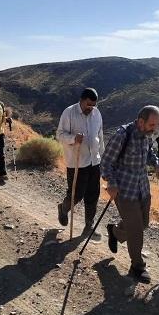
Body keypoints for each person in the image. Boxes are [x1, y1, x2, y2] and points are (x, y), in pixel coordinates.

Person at [101, 105, 159, 283]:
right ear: (141, 121)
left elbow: (150, 152)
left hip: (142, 188)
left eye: (156, 125)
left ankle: (115, 232)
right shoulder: (123, 135)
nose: (154, 128)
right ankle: (137, 266)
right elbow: (105, 163)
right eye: (152, 124)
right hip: (125, 190)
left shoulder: (146, 135)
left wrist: (157, 164)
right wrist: (111, 183)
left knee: (143, 223)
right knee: (136, 229)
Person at [56, 88, 104, 239]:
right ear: (81, 100)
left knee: (93, 195)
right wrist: (73, 138)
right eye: (88, 105)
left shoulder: (97, 113)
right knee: (76, 195)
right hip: (76, 163)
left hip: (94, 161)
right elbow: (60, 134)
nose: (91, 108)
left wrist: (102, 157)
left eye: (93, 105)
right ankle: (63, 209)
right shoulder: (69, 112)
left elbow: (100, 135)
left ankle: (89, 226)